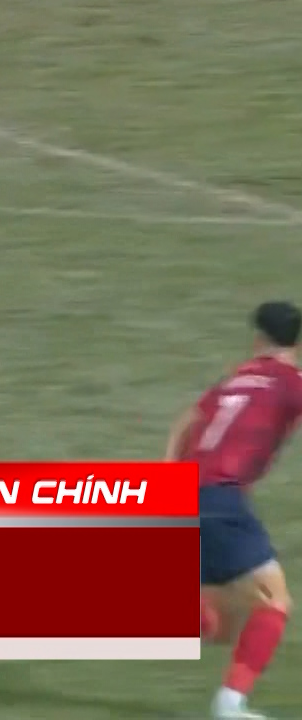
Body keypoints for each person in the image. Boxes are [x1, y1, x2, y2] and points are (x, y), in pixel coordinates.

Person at [168, 301, 302, 720]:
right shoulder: (291, 381)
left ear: (259, 339)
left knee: (221, 625)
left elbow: (187, 421)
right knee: (274, 603)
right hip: (221, 499)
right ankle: (229, 705)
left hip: (187, 495)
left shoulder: (236, 378)